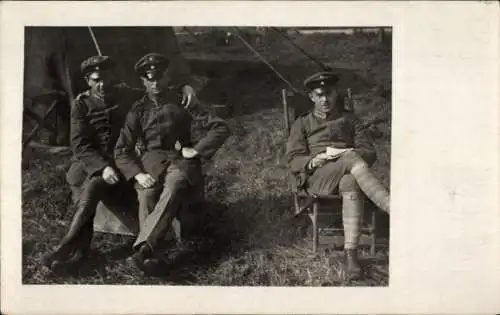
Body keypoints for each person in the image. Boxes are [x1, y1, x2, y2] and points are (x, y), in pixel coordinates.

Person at [114, 53, 231, 273]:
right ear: (143, 81)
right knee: (146, 193)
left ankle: (144, 249)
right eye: (149, 79)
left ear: (166, 76)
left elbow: (221, 127)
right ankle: (151, 257)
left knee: (175, 185)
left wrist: (196, 150)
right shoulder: (138, 110)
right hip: (151, 163)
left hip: (181, 162)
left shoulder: (183, 100)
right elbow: (121, 150)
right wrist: (137, 174)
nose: (155, 82)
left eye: (158, 76)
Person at [286, 71, 390, 280]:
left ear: (336, 94)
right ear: (312, 97)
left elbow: (369, 151)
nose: (325, 99)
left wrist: (344, 157)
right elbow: (292, 160)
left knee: (350, 179)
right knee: (351, 158)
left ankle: (350, 255)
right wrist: (312, 161)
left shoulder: (350, 120)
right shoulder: (302, 123)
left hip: (347, 173)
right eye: (320, 94)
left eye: (330, 94)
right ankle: (391, 207)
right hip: (317, 178)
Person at [43, 55, 142, 270]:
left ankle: (69, 249)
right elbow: (79, 145)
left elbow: (157, 90)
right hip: (96, 163)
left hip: (123, 162)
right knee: (90, 186)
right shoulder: (81, 104)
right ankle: (75, 252)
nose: (102, 84)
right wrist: (102, 167)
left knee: (92, 189)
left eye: (106, 78)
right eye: (97, 80)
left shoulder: (126, 95)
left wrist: (186, 88)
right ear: (88, 80)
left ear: (112, 76)